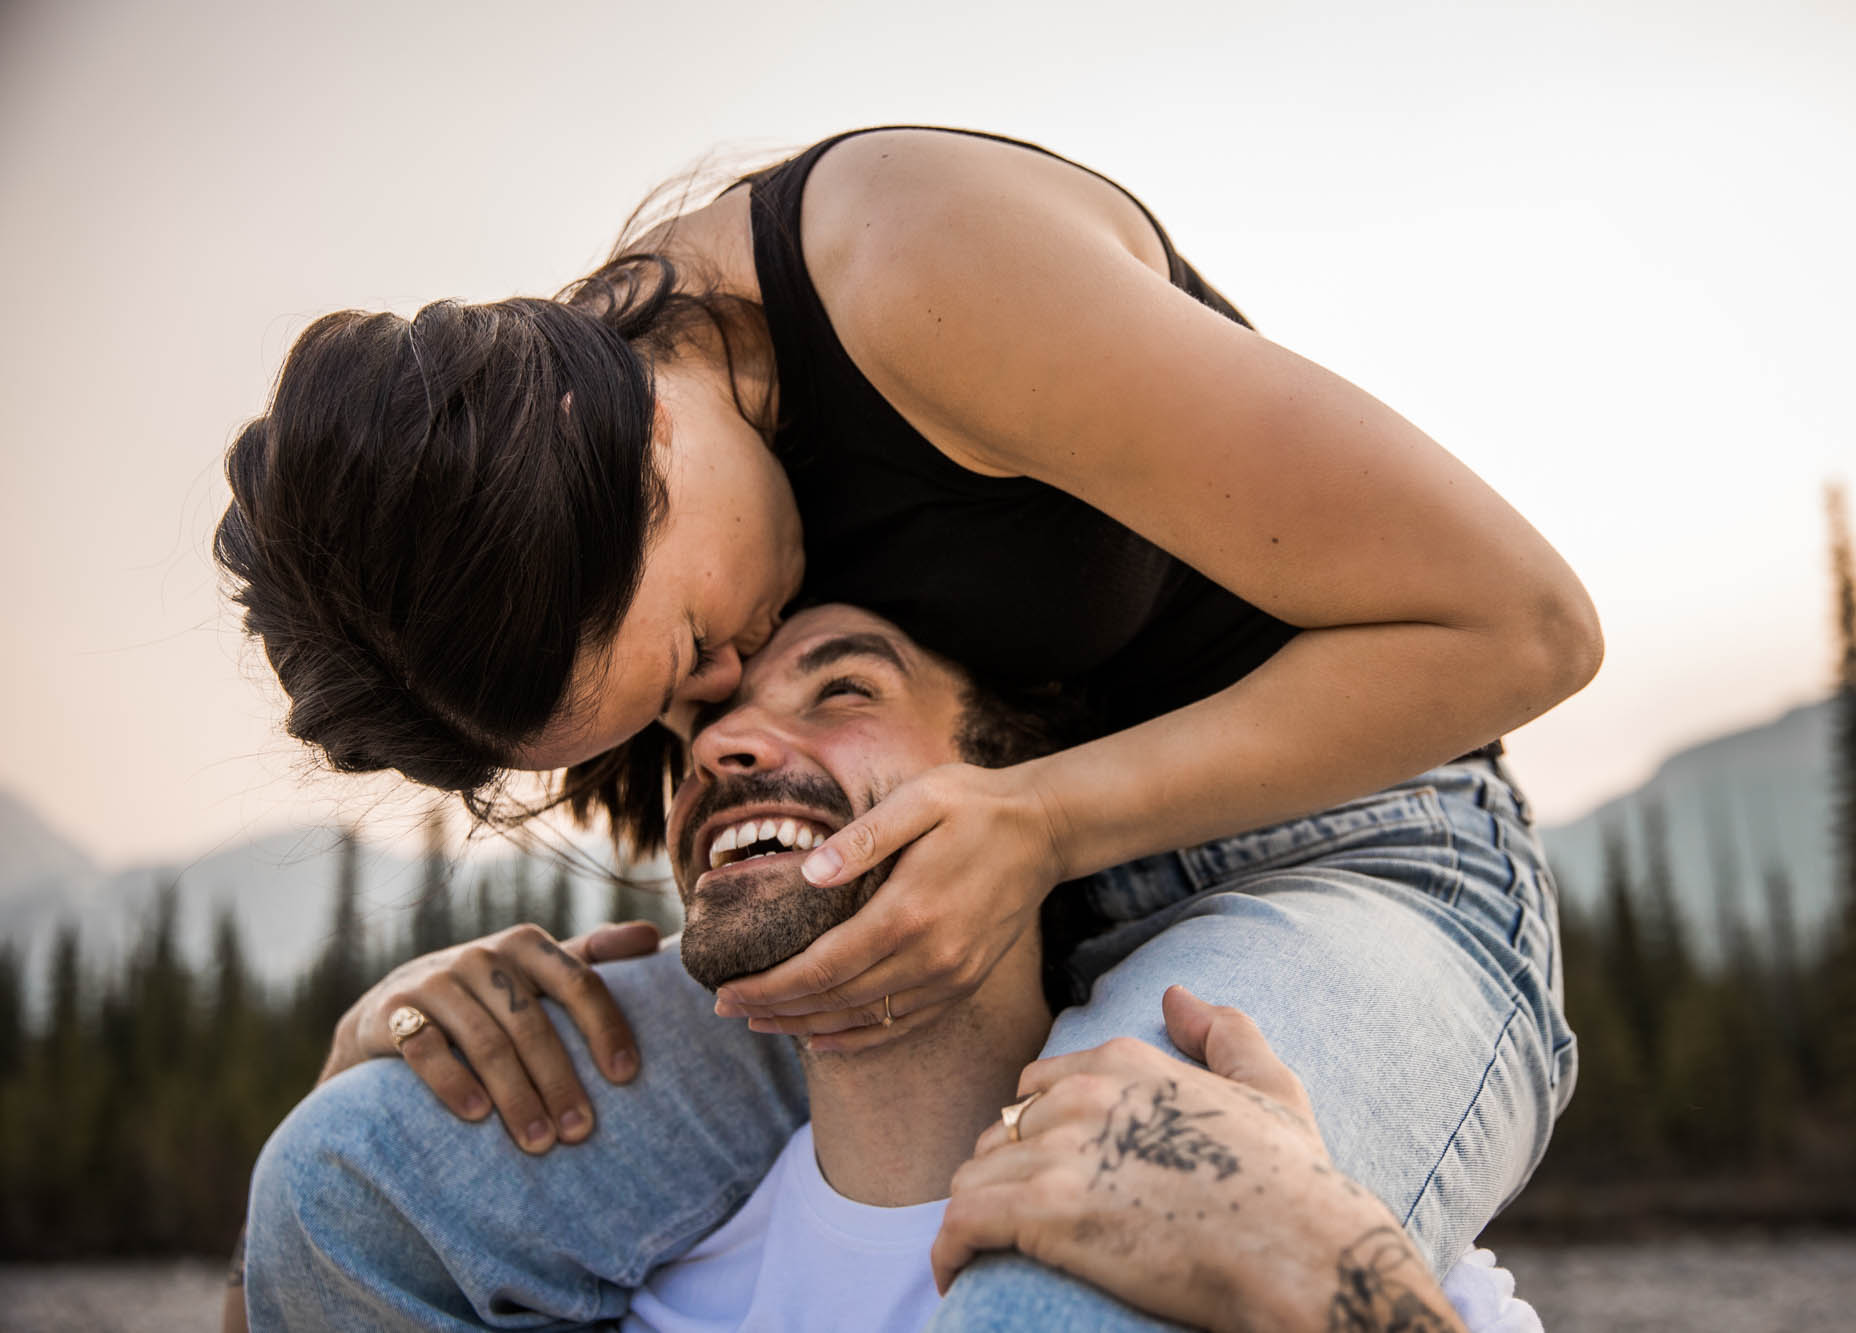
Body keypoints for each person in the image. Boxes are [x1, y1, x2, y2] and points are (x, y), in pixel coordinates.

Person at [219, 125, 1594, 1326]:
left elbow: (1525, 625)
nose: (731, 685)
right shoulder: (558, 519)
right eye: (680, 708)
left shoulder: (914, 266)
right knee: (354, 1192)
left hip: (1345, 866)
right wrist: (424, 1005)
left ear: (628, 429)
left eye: (698, 646)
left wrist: (1044, 821)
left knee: (1081, 1270)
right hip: (954, 928)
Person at [248, 605, 1540, 1332]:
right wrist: (353, 1088)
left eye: (842, 691)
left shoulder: (1253, 1200)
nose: (730, 746)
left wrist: (1344, 1296)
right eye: (702, 724)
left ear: (1018, 781)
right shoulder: (606, 1276)